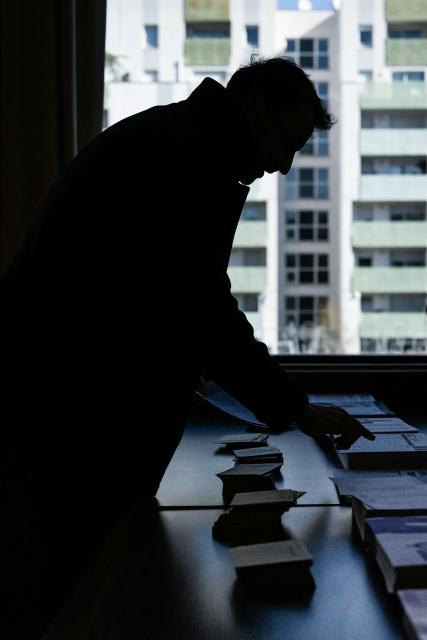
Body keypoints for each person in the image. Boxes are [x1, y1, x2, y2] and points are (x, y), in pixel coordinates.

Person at [0, 56, 374, 636]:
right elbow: (202, 306)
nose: (283, 163)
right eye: (285, 141)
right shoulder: (188, 160)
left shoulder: (178, 140)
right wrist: (295, 409)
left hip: (53, 395)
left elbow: (184, 301)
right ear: (252, 109)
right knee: (74, 593)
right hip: (69, 410)